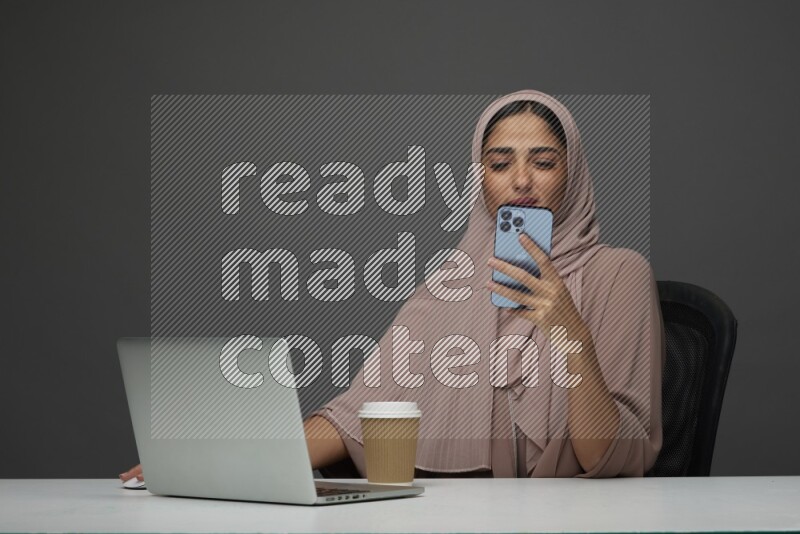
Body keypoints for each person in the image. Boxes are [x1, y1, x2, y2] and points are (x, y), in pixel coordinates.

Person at [120, 90, 663, 484]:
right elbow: (357, 414)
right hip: (459, 521)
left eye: (543, 162)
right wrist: (215, 457)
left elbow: (604, 454)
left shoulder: (619, 273)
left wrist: (568, 326)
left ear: (573, 174)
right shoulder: (450, 282)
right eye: (500, 164)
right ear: (481, 181)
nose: (521, 180)